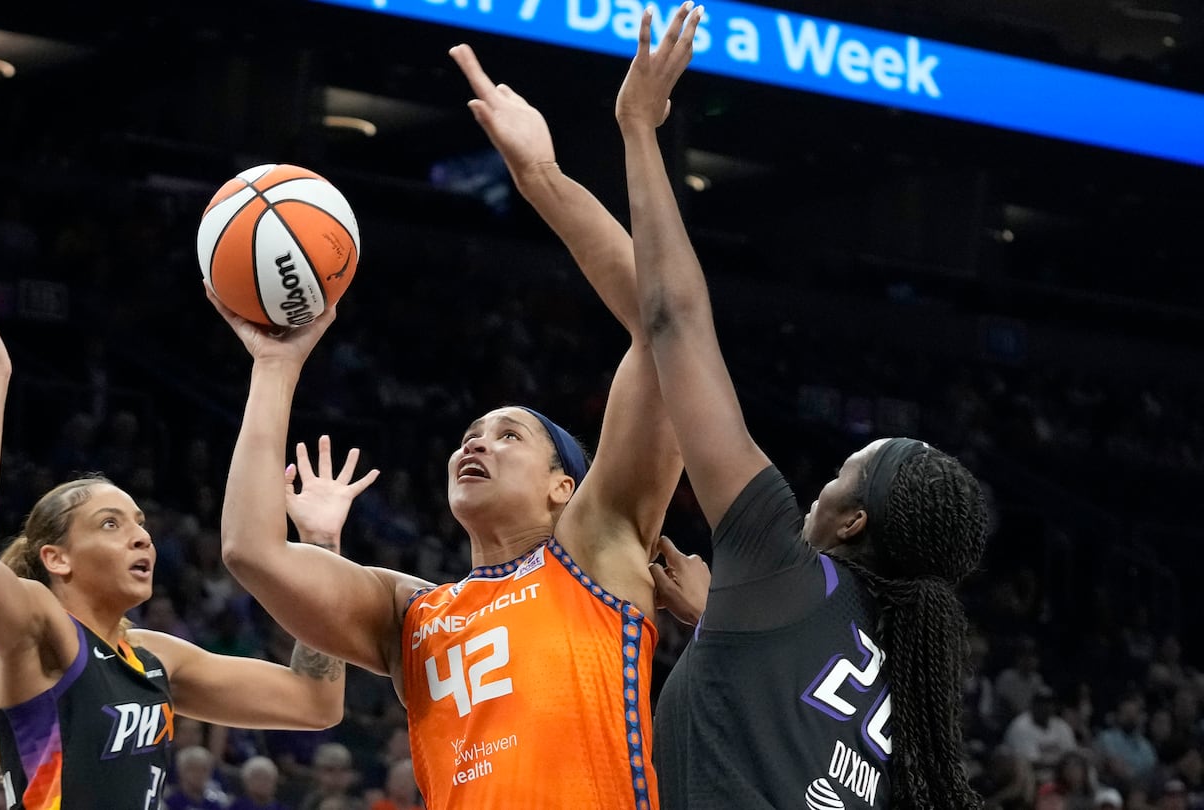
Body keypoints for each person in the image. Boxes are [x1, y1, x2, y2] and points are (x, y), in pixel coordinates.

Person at [209, 42, 683, 810]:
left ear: (567, 486)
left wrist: (540, 177)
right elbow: (251, 550)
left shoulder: (600, 547)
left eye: (508, 434)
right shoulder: (413, 615)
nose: (476, 441)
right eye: (471, 432)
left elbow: (663, 324)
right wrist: (276, 368)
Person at [616, 5, 989, 808]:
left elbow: (674, 321)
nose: (820, 483)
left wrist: (641, 131)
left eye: (845, 471)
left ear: (853, 522)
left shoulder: (781, 563)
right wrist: (718, 613)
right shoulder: (899, 682)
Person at [0, 259, 347, 809]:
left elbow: (316, 703)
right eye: (111, 524)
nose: (141, 538)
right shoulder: (43, 633)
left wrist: (321, 552)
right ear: (57, 558)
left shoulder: (154, 657)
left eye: (141, 524)